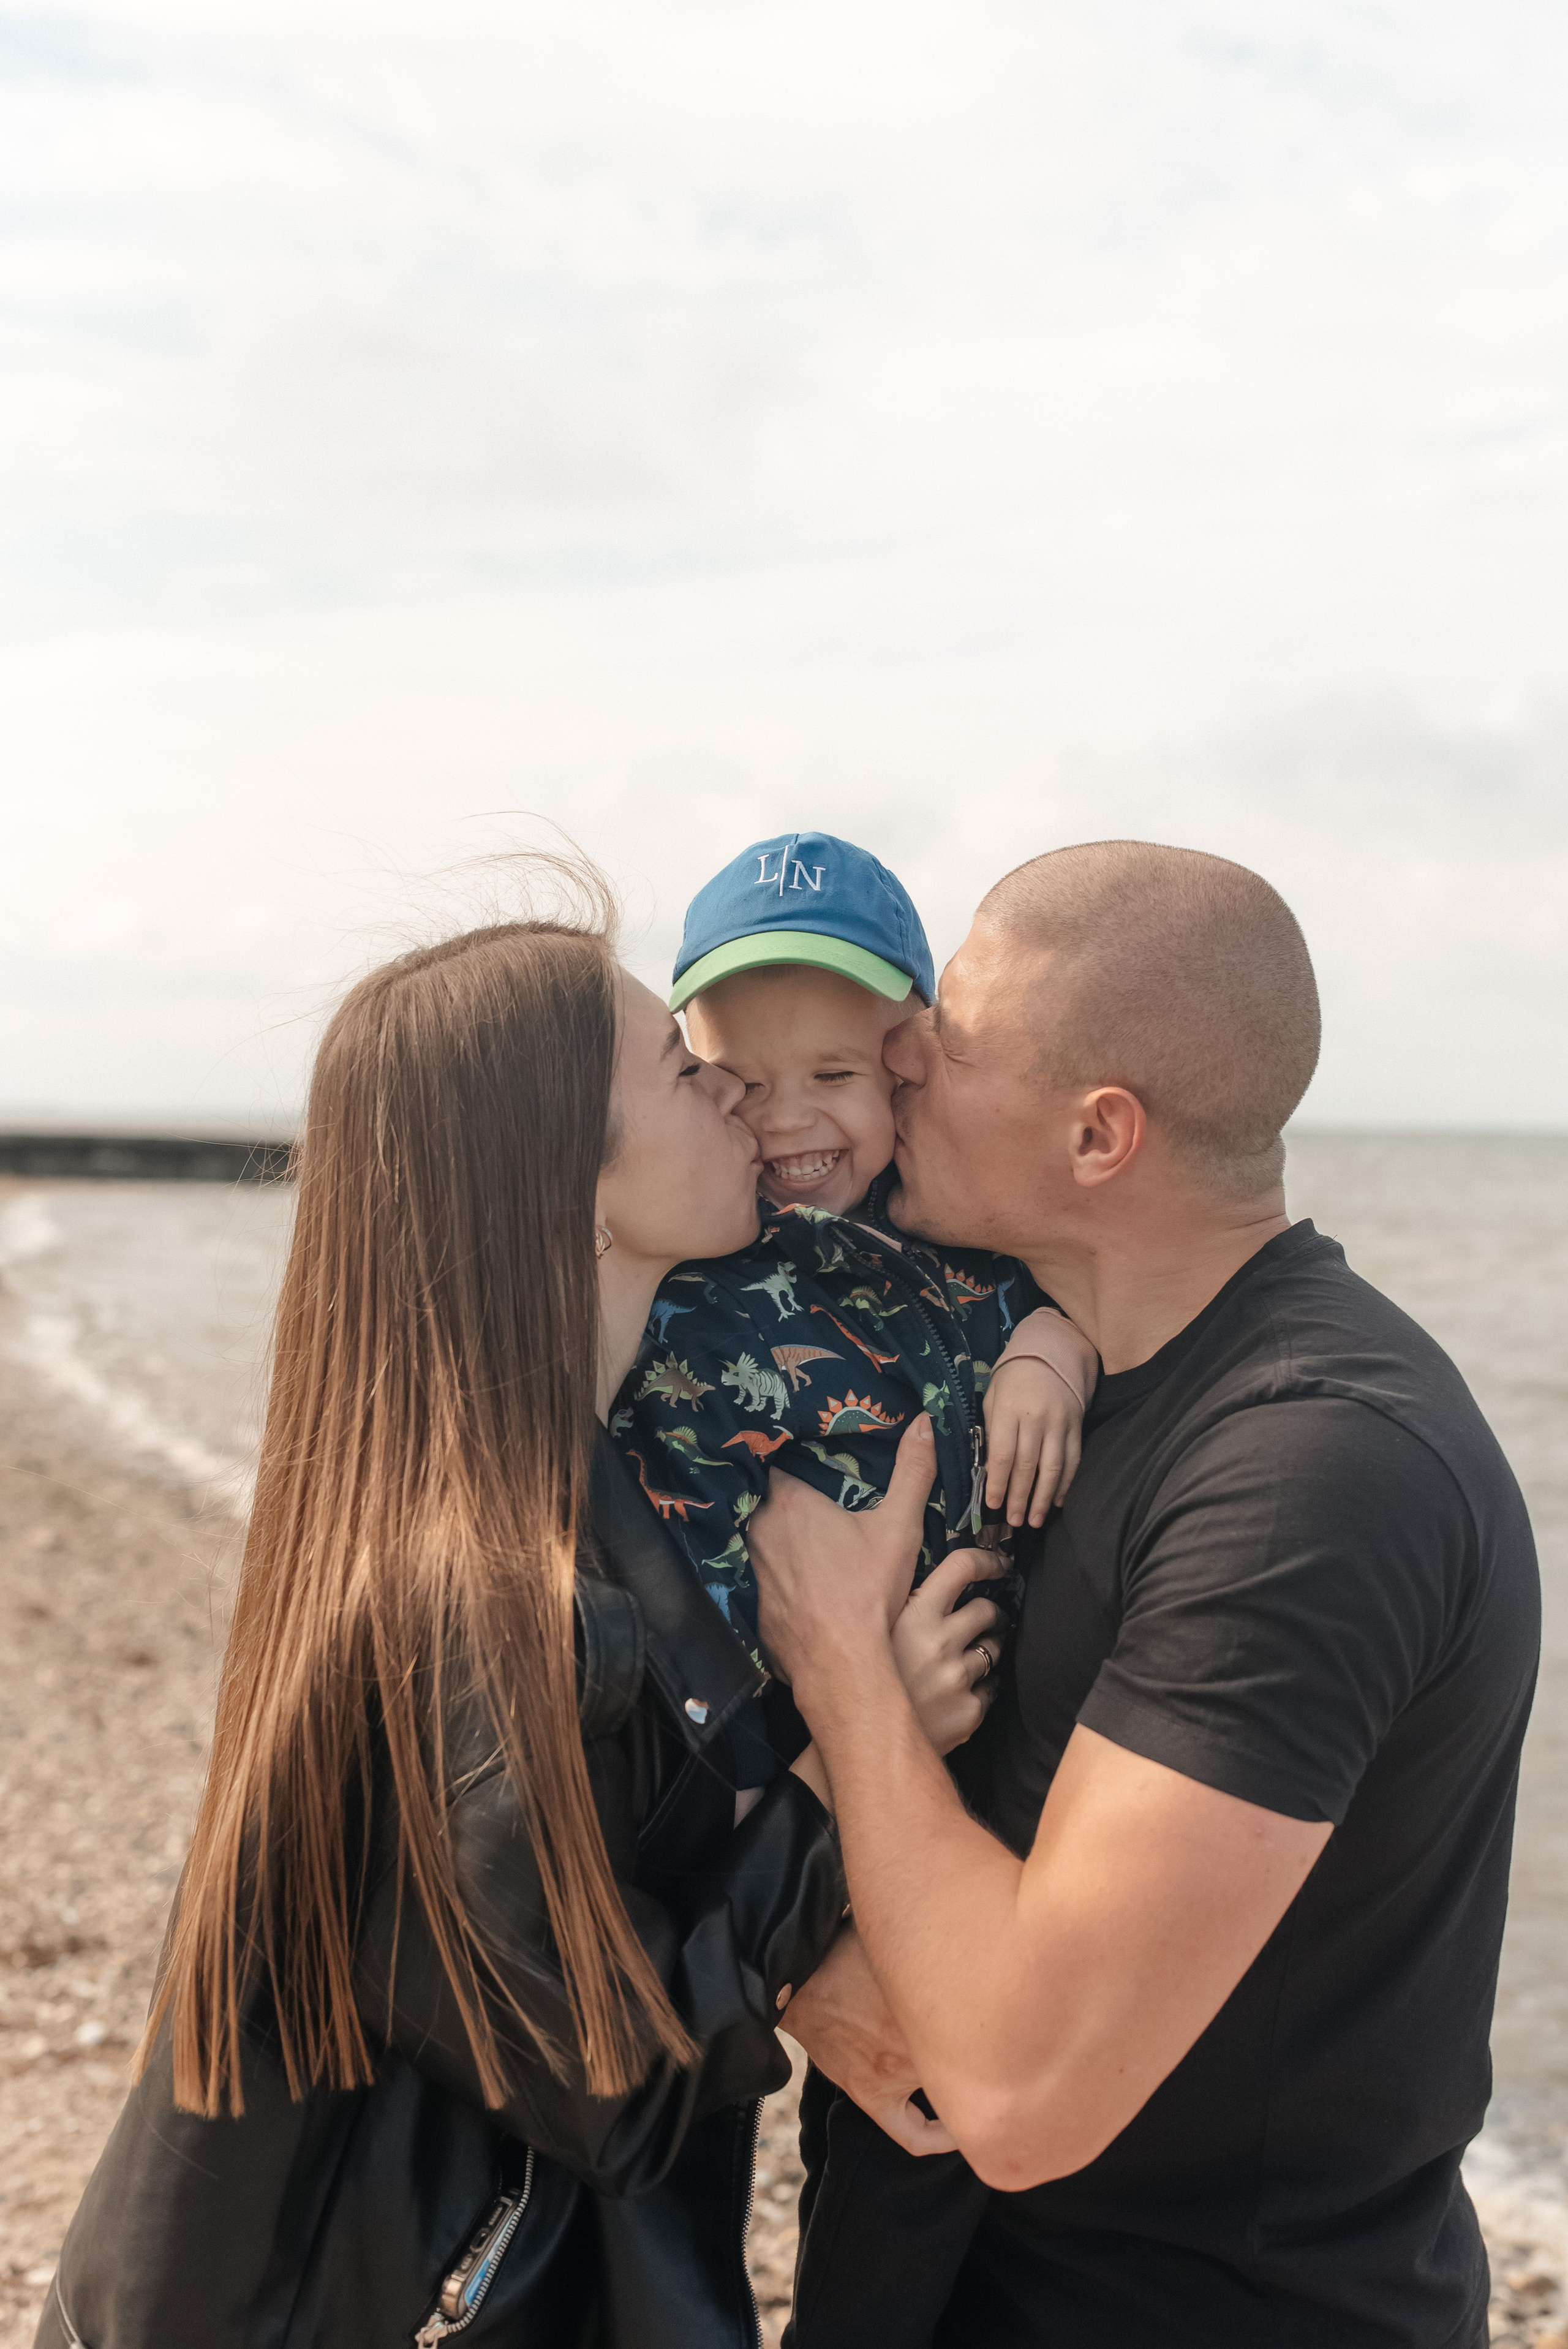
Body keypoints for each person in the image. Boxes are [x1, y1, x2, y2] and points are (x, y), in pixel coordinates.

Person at [37, 893, 987, 2349]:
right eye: (681, 1066)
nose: (730, 1086)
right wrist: (857, 1735)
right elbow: (607, 2076)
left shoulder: (532, 1490)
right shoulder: (470, 1594)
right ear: (570, 1182)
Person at [750, 841, 1541, 2349]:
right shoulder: (1052, 1376)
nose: (898, 1052)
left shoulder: (1315, 1470)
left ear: (1099, 1134)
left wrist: (845, 1666)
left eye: (952, 1036)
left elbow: (1022, 2087)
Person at [612, 831, 1098, 1681]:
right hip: (855, 1735)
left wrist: (1056, 1345)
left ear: (906, 1061)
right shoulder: (696, 1303)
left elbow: (1105, 1292)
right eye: (745, 1082)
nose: (786, 1120)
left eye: (833, 1076)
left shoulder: (976, 1227)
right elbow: (695, 1618)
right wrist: (866, 1709)